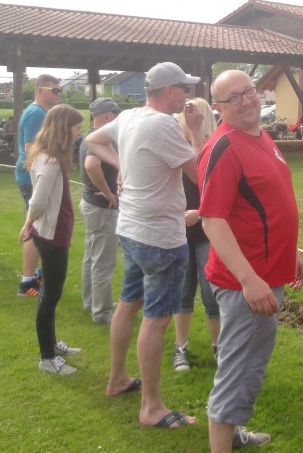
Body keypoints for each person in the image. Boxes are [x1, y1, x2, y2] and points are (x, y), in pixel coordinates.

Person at [85, 62, 203, 428]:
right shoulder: (163, 125)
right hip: (160, 239)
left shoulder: (129, 117)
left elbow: (92, 140)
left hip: (131, 230)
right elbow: (200, 174)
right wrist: (197, 132)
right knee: (157, 318)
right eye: (184, 88)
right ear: (169, 91)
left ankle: (117, 379)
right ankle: (151, 407)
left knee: (127, 304)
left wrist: (122, 164)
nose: (188, 95)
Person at [199, 69, 303, 452]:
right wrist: (248, 280)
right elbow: (212, 220)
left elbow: (269, 200)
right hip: (244, 284)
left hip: (267, 273)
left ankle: (232, 435)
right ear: (218, 107)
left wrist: (291, 251)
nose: (245, 100)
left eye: (248, 91)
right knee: (238, 370)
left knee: (248, 366)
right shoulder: (224, 147)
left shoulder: (260, 135)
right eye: (233, 97)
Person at [19, 104, 84, 375]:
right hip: (51, 235)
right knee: (50, 295)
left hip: (53, 233)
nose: (79, 133)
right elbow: (38, 200)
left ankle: (52, 344)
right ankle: (47, 357)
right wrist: (28, 223)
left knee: (50, 293)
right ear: (63, 129)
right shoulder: (50, 160)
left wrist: (30, 223)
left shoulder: (48, 155)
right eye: (76, 128)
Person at [172, 98, 220, 371]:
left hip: (207, 231)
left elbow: (214, 187)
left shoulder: (214, 148)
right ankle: (180, 348)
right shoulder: (177, 148)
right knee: (183, 292)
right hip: (180, 231)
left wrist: (200, 213)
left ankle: (218, 347)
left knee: (212, 294)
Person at [15, 74, 62, 297]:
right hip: (32, 178)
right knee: (34, 228)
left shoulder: (41, 113)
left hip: (35, 176)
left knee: (38, 227)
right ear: (40, 90)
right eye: (55, 90)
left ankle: (34, 274)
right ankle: (27, 282)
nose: (58, 95)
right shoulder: (36, 114)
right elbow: (30, 148)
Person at [79, 97, 122, 325]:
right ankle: (102, 312)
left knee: (91, 258)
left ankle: (91, 302)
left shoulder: (89, 136)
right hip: (102, 207)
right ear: (107, 117)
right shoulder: (99, 140)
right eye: (116, 117)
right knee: (103, 262)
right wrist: (108, 193)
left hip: (91, 205)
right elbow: (91, 165)